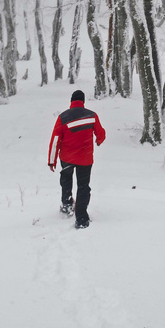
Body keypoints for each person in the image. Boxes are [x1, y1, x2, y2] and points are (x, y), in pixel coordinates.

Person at [48, 89, 106, 228]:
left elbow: (56, 140)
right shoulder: (92, 115)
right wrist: (98, 141)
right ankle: (81, 218)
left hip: (67, 158)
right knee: (83, 186)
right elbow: (101, 134)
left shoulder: (63, 117)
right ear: (83, 101)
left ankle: (67, 206)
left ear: (71, 101)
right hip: (85, 159)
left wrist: (52, 160)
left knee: (66, 180)